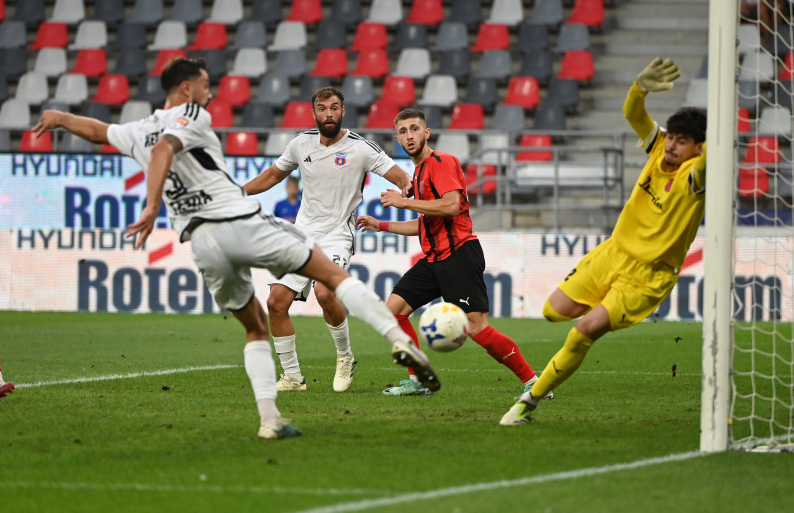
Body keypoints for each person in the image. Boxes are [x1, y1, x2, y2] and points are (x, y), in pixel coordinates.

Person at [32, 57, 439, 439]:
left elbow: (99, 132)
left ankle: (274, 416)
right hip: (240, 223)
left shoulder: (138, 128)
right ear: (188, 90)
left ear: (342, 111)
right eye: (207, 86)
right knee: (308, 290)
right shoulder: (193, 114)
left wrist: (59, 118)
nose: (211, 95)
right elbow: (169, 151)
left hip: (203, 239)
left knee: (263, 320)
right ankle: (394, 342)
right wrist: (155, 202)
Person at [500, 57, 707, 425]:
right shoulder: (659, 149)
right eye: (672, 137)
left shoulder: (696, 174)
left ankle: (527, 401)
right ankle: (597, 314)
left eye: (683, 141)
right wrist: (639, 87)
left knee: (583, 331)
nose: (673, 145)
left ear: (699, 148)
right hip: (613, 252)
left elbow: (718, 153)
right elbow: (633, 113)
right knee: (553, 312)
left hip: (648, 275)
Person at [355, 108, 548, 398]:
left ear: (427, 132)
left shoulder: (441, 162)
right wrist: (380, 224)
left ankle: (534, 382)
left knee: (477, 328)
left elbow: (450, 206)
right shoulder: (418, 173)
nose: (409, 136)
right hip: (434, 259)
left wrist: (404, 203)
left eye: (414, 128)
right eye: (403, 132)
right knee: (393, 311)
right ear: (397, 139)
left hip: (458, 255)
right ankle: (418, 380)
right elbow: (425, 224)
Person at [243, 87, 412, 394]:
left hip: (337, 236)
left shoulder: (361, 148)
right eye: (323, 109)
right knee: (275, 303)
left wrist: (406, 194)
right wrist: (238, 193)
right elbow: (271, 176)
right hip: (301, 234)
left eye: (334, 108)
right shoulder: (300, 143)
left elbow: (401, 176)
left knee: (325, 293)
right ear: (314, 113)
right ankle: (293, 377)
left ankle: (345, 356)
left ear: (343, 111)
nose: (329, 114)